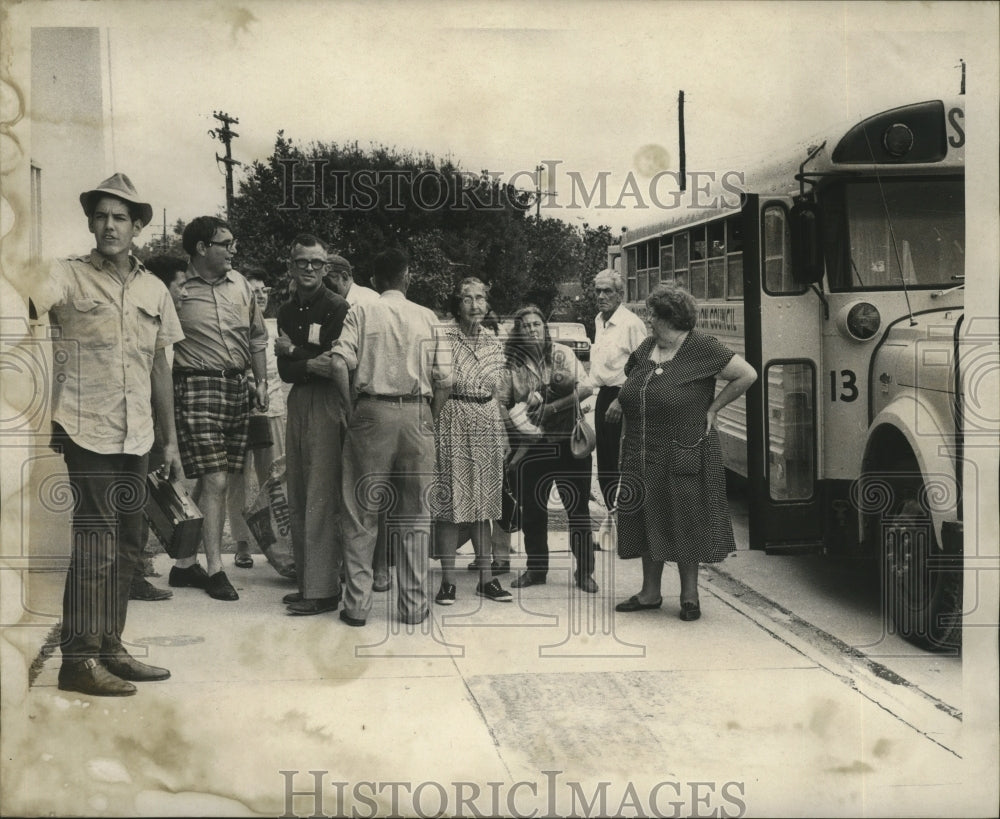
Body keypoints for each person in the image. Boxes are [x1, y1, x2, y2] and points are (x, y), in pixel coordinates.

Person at [28, 172, 183, 696]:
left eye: (120, 217)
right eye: (101, 216)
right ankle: (77, 661)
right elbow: (24, 299)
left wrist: (171, 441)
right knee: (95, 544)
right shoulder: (67, 276)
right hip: (86, 428)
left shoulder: (154, 289)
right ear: (90, 222)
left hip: (136, 433)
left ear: (138, 225)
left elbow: (160, 366)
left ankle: (110, 648)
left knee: (130, 545)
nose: (109, 225)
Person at [614, 284, 756, 620]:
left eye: (653, 314)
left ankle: (689, 596)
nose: (648, 320)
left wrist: (713, 408)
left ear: (669, 317)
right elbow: (632, 382)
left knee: (685, 518)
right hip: (642, 450)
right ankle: (650, 593)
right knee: (647, 516)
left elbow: (746, 375)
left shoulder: (701, 347)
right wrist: (623, 404)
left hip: (684, 449)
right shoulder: (647, 348)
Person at [329, 248, 452, 627]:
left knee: (361, 509)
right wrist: (428, 414)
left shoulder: (362, 311)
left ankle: (357, 606)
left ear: (375, 279)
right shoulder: (427, 317)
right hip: (417, 412)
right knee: (416, 513)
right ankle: (414, 605)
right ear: (407, 276)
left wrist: (351, 408)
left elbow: (338, 361)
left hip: (372, 410)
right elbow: (446, 378)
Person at [168, 216, 268, 601]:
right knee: (216, 481)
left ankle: (182, 566)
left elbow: (257, 338)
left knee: (217, 478)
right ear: (201, 248)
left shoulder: (240, 283)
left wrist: (259, 383)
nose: (233, 250)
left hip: (237, 388)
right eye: (225, 243)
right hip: (195, 385)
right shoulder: (177, 287)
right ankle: (214, 569)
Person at [274, 235, 349, 615]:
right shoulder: (286, 311)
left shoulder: (338, 307)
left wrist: (292, 352)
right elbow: (285, 370)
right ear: (291, 265)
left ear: (325, 268)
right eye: (302, 262)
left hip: (327, 403)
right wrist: (302, 359)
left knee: (322, 495)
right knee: (299, 492)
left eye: (316, 263)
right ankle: (308, 582)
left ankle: (324, 590)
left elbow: (334, 365)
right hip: (299, 400)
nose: (308, 268)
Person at [499, 305, 598, 593]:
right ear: (518, 333)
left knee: (577, 510)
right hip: (532, 447)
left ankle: (585, 573)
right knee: (532, 509)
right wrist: (512, 431)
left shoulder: (562, 354)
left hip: (569, 442)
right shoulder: (512, 364)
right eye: (525, 325)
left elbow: (586, 388)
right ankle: (536, 570)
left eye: (536, 324)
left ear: (545, 327)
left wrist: (552, 407)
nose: (532, 329)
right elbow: (501, 401)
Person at [432, 278, 511, 605]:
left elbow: (498, 390)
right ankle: (448, 582)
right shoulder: (443, 335)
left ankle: (486, 579)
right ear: (457, 302)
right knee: (451, 502)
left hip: (487, 419)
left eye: (481, 298)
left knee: (485, 503)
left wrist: (504, 430)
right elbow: (436, 384)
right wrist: (432, 426)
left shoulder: (495, 340)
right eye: (468, 298)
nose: (475, 305)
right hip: (453, 416)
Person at [323, 253, 390, 591]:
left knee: (371, 491)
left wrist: (351, 408)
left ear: (345, 275)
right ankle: (346, 565)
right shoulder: (329, 302)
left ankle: (378, 567)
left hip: (364, 402)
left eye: (328, 277)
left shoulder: (368, 303)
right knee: (340, 488)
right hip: (336, 400)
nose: (323, 283)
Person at [127, 254, 188, 602]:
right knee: (139, 496)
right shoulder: (150, 318)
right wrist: (167, 437)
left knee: (143, 494)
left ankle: (136, 564)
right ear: (162, 286)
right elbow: (156, 375)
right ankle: (133, 574)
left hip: (149, 418)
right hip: (143, 418)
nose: (183, 293)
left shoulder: (163, 319)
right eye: (180, 285)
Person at [228, 270, 288, 570]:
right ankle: (241, 545)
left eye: (264, 289)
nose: (261, 295)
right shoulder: (235, 327)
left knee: (274, 480)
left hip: (273, 410)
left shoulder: (278, 327)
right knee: (237, 479)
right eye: (254, 290)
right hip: (240, 410)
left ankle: (277, 544)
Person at [590, 269, 647, 512]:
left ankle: (626, 521)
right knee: (605, 463)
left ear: (620, 294)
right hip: (604, 397)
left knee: (622, 463)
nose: (602, 296)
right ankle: (612, 520)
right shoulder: (598, 320)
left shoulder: (631, 324)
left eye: (608, 291)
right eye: (598, 291)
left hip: (624, 399)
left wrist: (622, 401)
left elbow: (646, 367)